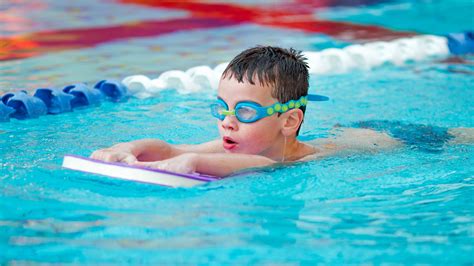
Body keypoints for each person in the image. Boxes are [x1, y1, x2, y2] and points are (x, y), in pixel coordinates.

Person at [91, 46, 472, 177]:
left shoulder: (279, 159)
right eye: (222, 108)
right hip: (355, 129)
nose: (228, 120)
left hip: (402, 140)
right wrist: (129, 146)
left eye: (245, 111)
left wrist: (191, 162)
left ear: (289, 121)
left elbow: (255, 165)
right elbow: (173, 149)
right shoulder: (235, 139)